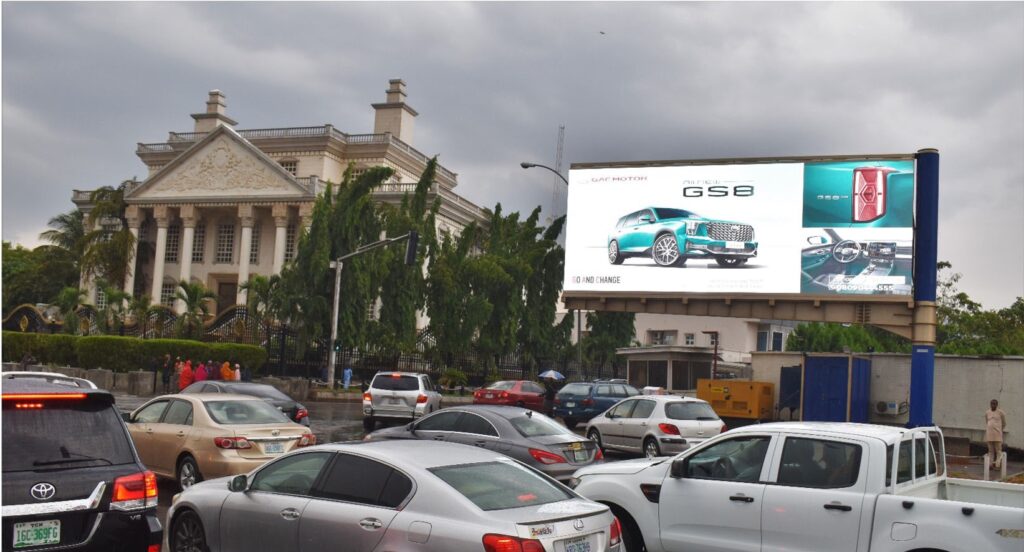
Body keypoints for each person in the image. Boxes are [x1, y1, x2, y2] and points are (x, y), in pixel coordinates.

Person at [985, 399, 1007, 470]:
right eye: (992, 404)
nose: (993, 405)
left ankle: (997, 465)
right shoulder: (987, 412)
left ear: (997, 405)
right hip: (989, 435)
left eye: (994, 404)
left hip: (997, 435)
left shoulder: (1001, 413)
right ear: (990, 404)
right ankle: (990, 464)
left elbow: (1004, 423)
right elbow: (987, 422)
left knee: (998, 451)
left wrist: (999, 429)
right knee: (990, 451)